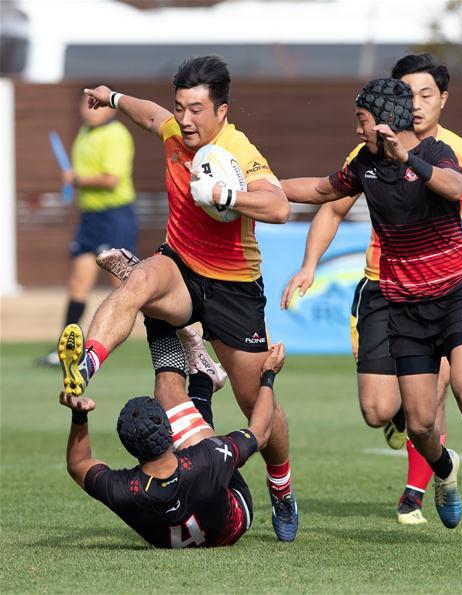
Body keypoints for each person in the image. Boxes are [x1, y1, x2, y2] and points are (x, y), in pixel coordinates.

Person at [280, 55, 462, 529]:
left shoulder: (448, 153)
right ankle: (443, 467)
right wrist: (262, 189)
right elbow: (321, 194)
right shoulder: (365, 161)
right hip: (394, 296)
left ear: (441, 99)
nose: (415, 104)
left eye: (424, 94)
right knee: (407, 419)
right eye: (407, 94)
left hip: (457, 292)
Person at [57, 56, 299, 541]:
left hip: (234, 288)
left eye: (196, 110)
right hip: (182, 267)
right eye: (180, 107)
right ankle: (84, 365)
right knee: (138, 285)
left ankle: (281, 488)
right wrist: (113, 98)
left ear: (222, 111)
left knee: (259, 407)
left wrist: (225, 195)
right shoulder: (173, 130)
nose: (185, 120)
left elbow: (279, 207)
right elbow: (149, 115)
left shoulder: (237, 149)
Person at [59, 337, 285, 549]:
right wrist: (268, 375)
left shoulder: (123, 489)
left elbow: (78, 463)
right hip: (235, 522)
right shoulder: (208, 457)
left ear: (128, 446)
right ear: (170, 431)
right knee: (197, 437)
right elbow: (261, 432)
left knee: (196, 441)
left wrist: (80, 416)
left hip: (176, 532)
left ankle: (204, 379)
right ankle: (203, 379)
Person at [37, 93, 137, 366]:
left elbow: (111, 179)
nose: (90, 110)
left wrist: (76, 179)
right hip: (90, 218)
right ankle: (65, 348)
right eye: (86, 103)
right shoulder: (84, 132)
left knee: (124, 286)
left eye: (97, 105)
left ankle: (158, 339)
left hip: (115, 216)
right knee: (78, 282)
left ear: (110, 110)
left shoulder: (116, 135)